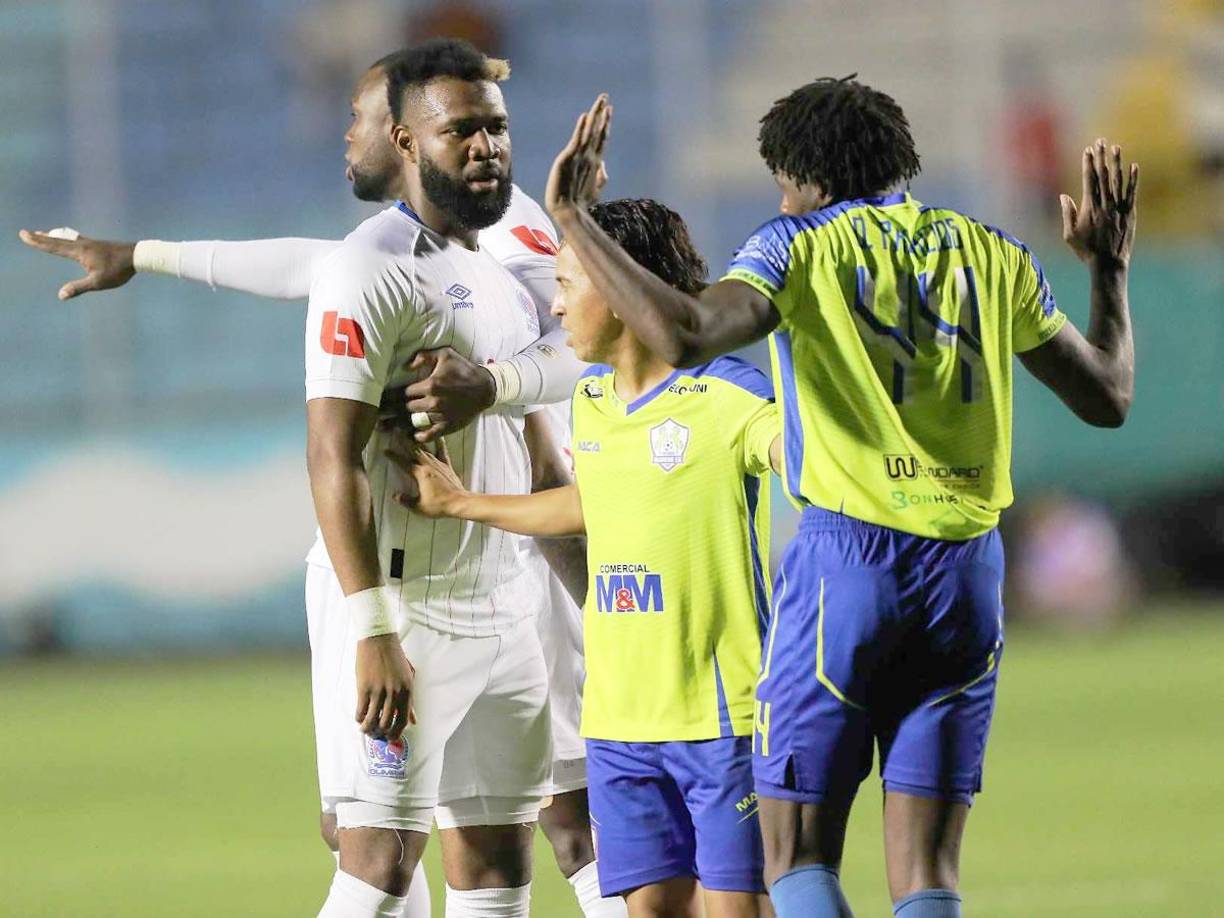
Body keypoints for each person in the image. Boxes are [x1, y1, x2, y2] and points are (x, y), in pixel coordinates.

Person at [19, 41, 621, 918]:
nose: (348, 134)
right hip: (420, 593)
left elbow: (571, 363)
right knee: (381, 851)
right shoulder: (382, 261)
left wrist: (499, 384)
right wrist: (146, 253)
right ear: (412, 141)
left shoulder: (494, 248)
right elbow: (327, 378)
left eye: (494, 127)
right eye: (464, 128)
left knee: (508, 845)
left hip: (511, 583)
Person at [543, 86, 1139, 918]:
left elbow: (684, 333)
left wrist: (575, 220)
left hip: (847, 565)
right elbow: (1108, 395)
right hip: (968, 576)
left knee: (794, 854)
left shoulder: (798, 243)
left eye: (784, 185)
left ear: (809, 181)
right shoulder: (992, 252)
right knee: (928, 867)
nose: (782, 201)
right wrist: (1108, 270)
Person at [394, 197, 780, 918]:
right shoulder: (594, 398)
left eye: (568, 284)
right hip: (618, 721)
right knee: (650, 909)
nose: (556, 305)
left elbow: (800, 457)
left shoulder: (727, 392)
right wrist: (460, 504)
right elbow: (588, 502)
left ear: (626, 289)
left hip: (723, 716)